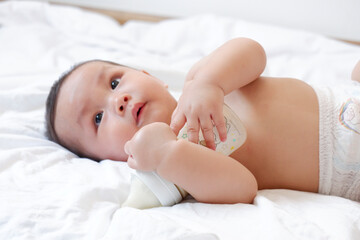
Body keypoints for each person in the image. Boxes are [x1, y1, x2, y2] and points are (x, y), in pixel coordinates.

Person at [45, 38, 360, 204]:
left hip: (347, 97)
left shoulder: (201, 79)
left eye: (114, 82)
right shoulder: (178, 174)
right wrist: (168, 155)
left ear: (149, 76)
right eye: (98, 119)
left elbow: (253, 52)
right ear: (109, 158)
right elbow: (242, 188)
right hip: (349, 171)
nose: (118, 100)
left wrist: (211, 83)